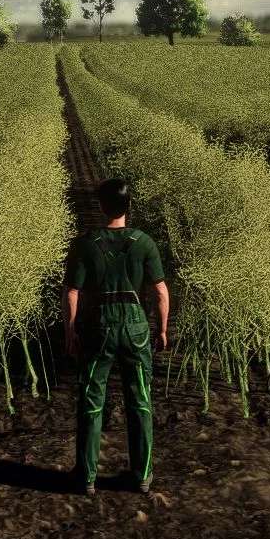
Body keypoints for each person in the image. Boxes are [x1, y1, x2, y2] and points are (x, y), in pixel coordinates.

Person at [63, 178, 170, 496]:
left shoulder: (85, 244)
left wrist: (70, 329)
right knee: (140, 400)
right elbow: (160, 292)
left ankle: (86, 477)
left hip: (99, 327)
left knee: (91, 400)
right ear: (129, 205)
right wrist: (162, 329)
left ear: (101, 206)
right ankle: (143, 475)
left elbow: (71, 292)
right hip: (135, 328)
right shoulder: (144, 242)